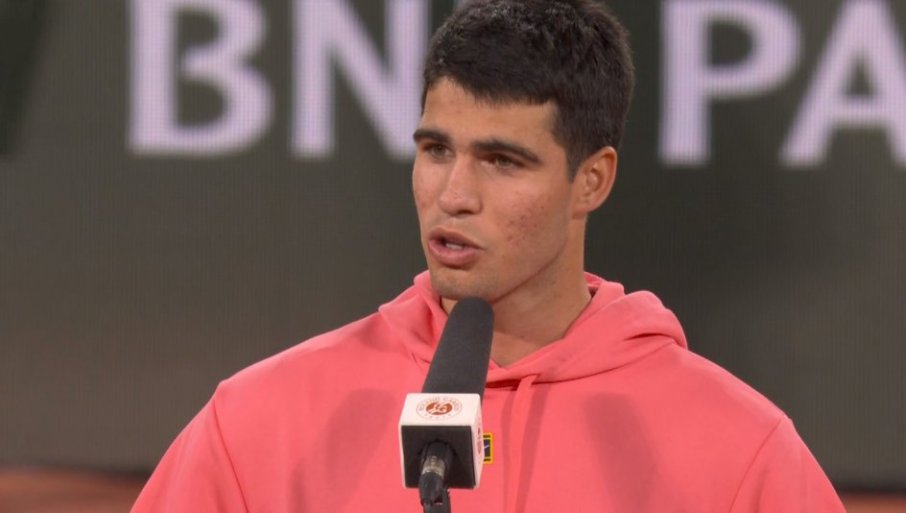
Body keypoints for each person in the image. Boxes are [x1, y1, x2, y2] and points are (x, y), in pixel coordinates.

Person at [132, 1, 846, 511]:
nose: (454, 194)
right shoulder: (261, 420)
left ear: (591, 181)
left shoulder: (738, 449)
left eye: (502, 161)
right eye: (436, 149)